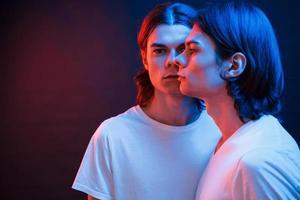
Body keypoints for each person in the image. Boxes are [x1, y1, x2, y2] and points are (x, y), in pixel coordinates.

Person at [72, 3, 221, 200]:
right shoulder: (112, 136)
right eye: (160, 51)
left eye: (184, 49)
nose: (172, 60)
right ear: (144, 58)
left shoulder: (222, 130)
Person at [175, 1, 300, 199]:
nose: (177, 60)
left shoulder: (257, 161)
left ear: (234, 66)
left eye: (192, 50)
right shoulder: (227, 140)